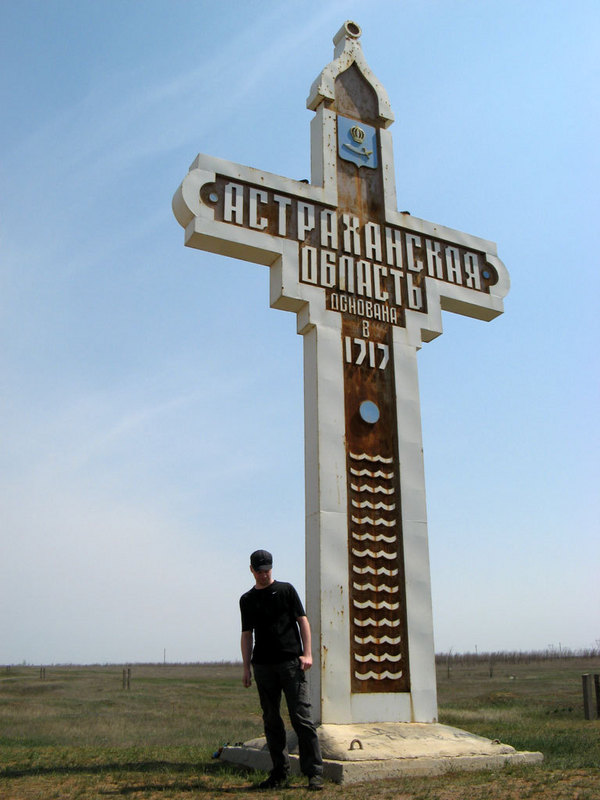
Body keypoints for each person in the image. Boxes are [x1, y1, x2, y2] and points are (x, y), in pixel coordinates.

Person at [240, 549, 324, 791]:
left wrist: (307, 653)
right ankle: (279, 773)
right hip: (263, 666)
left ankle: (314, 773)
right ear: (252, 570)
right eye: (260, 571)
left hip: (290, 663)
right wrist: (246, 667)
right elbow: (247, 635)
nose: (264, 575)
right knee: (271, 719)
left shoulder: (286, 590)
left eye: (267, 570)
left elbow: (302, 620)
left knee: (302, 718)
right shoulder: (247, 600)